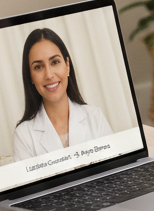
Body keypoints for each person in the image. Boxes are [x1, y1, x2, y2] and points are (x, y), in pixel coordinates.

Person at [13, 27, 113, 162]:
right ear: (31, 76)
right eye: (38, 67)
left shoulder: (95, 117)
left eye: (55, 62)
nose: (49, 75)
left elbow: (115, 172)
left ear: (67, 66)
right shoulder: (24, 135)